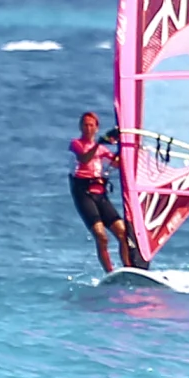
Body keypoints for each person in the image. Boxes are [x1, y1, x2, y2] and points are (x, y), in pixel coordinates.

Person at [69, 110, 145, 272]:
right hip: (84, 195)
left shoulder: (103, 151)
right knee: (101, 235)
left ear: (96, 128)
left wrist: (122, 145)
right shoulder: (76, 144)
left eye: (91, 125)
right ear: (80, 127)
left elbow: (118, 164)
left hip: (100, 195)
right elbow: (84, 158)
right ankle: (109, 272)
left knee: (123, 232)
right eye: (85, 125)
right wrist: (99, 143)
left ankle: (128, 268)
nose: (88, 128)